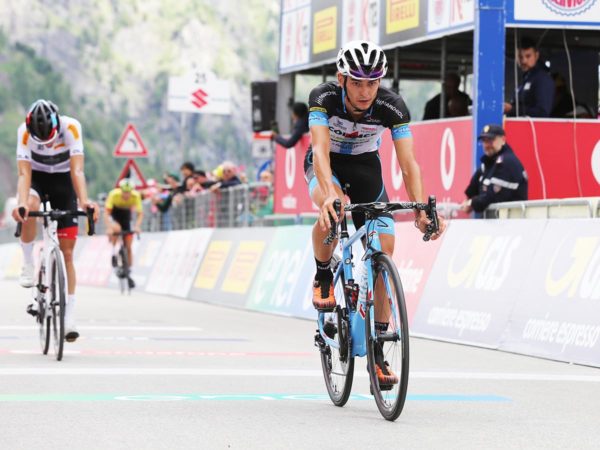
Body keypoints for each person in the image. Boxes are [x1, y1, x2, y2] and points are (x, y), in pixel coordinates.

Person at [307, 40, 446, 385]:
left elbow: (408, 163)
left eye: (372, 83)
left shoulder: (391, 105)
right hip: (327, 165)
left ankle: (378, 353)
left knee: (384, 249)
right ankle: (323, 274)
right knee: (332, 209)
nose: (365, 91)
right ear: (342, 79)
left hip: (365, 167)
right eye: (357, 82)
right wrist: (329, 195)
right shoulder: (323, 98)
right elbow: (320, 151)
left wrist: (421, 209)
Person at [11, 99, 98, 342]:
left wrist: (84, 202)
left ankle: (69, 317)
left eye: (49, 138)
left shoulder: (72, 128)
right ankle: (28, 263)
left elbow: (77, 171)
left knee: (68, 254)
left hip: (64, 182)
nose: (46, 144)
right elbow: (24, 173)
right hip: (37, 179)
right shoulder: (24, 132)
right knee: (29, 207)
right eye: (40, 140)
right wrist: (21, 203)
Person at [461, 124, 528, 214]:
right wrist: (468, 200)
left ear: (503, 140)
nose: (486, 145)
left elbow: (491, 196)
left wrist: (471, 203)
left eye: (490, 140)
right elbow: (472, 190)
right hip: (495, 219)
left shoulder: (507, 162)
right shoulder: (489, 162)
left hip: (510, 220)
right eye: (484, 141)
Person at [104, 178, 143, 288]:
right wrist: (109, 227)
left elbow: (140, 214)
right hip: (115, 215)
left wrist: (137, 226)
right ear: (120, 190)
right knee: (116, 229)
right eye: (124, 192)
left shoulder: (136, 196)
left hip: (126, 216)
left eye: (128, 192)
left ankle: (129, 270)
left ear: (132, 191)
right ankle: (113, 251)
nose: (126, 194)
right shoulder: (113, 194)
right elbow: (106, 213)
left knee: (129, 246)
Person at [504, 37, 554, 117]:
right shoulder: (525, 78)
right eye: (520, 57)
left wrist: (512, 109)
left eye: (528, 56)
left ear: (536, 56)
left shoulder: (542, 79)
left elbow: (542, 112)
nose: (524, 61)